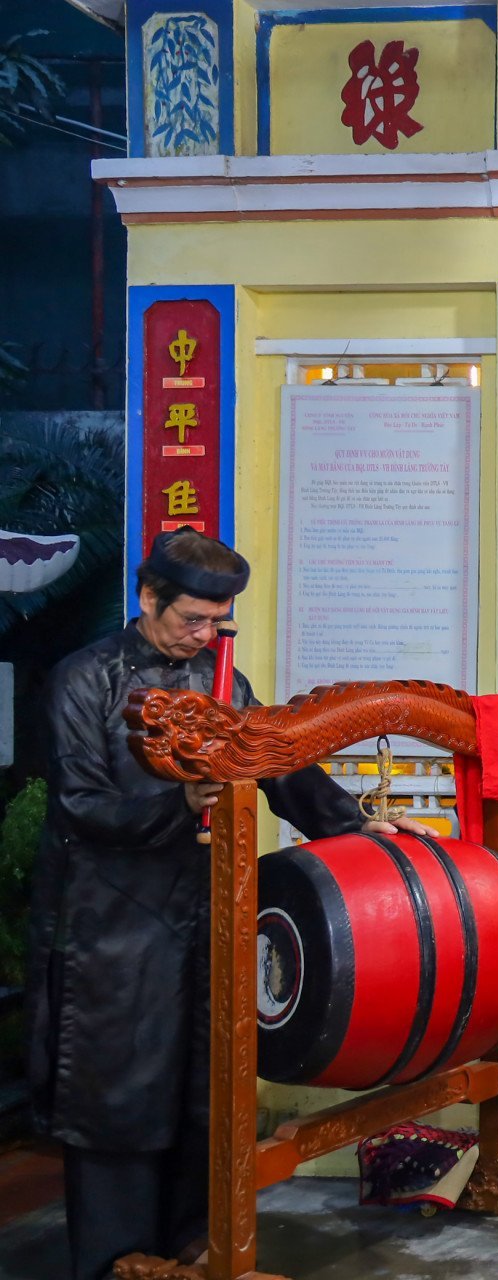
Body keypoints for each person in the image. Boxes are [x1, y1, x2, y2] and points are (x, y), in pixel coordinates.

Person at [25, 530, 431, 1280]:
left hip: (202, 914)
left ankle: (193, 1251)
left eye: (217, 623)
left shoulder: (219, 681)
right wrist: (180, 803)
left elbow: (273, 758)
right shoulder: (85, 679)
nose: (206, 636)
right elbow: (81, 806)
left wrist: (356, 824)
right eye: (191, 620)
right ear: (148, 599)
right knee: (121, 1094)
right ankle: (115, 1264)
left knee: (202, 1090)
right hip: (110, 925)